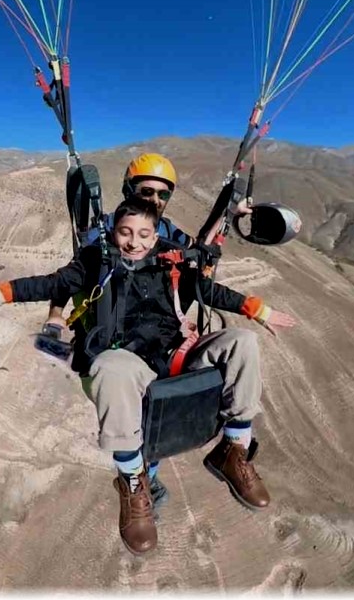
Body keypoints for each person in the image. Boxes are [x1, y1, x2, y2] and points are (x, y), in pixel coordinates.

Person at [0, 197, 295, 555]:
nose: (134, 242)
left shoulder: (171, 262)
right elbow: (50, 284)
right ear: (114, 233)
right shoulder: (97, 262)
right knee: (111, 368)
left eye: (143, 234)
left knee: (242, 342)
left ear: (154, 236)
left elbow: (209, 290)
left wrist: (258, 310)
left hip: (174, 354)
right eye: (126, 233)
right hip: (130, 363)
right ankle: (132, 481)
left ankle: (234, 450)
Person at [39, 153, 250, 511]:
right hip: (112, 346)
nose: (155, 199)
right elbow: (70, 277)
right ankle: (141, 484)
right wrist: (56, 316)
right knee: (139, 417)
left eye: (163, 194)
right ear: (128, 190)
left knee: (167, 407)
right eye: (146, 191)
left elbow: (196, 256)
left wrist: (228, 217)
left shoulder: (168, 233)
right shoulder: (105, 232)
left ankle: (156, 477)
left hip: (156, 342)